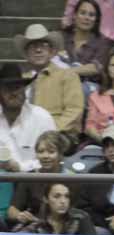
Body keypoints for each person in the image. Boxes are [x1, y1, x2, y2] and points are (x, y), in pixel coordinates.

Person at [15, 24, 84, 153]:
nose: (38, 50)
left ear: (52, 51)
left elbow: (74, 112)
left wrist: (47, 131)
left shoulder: (67, 76)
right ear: (26, 53)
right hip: (26, 134)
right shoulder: (21, 81)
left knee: (44, 145)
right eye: (33, 46)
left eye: (43, 45)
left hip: (59, 133)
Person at [7, 131, 75, 228]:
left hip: (65, 229)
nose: (45, 156)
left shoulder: (72, 178)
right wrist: (19, 215)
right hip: (35, 229)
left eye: (51, 152)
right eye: (41, 151)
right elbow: (11, 210)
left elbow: (78, 214)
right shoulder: (29, 178)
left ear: (60, 154)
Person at [0, 63, 56, 173]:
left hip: (35, 181)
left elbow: (54, 156)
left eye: (17, 88)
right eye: (8, 89)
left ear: (25, 90)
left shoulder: (42, 117)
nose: (14, 93)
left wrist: (20, 168)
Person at [25, 182, 98, 235]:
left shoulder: (81, 217)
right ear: (46, 199)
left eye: (66, 196)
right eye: (57, 196)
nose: (63, 201)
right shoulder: (38, 226)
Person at [57, 0, 113, 97]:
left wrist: (68, 71)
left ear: (96, 20)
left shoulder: (102, 42)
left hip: (88, 88)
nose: (86, 18)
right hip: (61, 84)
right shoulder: (62, 36)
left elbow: (95, 68)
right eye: (83, 13)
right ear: (75, 15)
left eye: (91, 15)